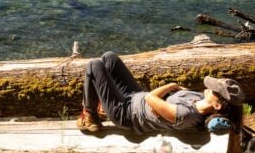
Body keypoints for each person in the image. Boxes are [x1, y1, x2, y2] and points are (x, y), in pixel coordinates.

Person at [76, 51, 245, 134]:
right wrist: (169, 95)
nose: (209, 87)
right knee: (109, 58)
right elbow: (165, 97)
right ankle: (102, 107)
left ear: (217, 105)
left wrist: (171, 85)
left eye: (214, 90)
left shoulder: (186, 114)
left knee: (94, 65)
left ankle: (90, 115)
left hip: (126, 113)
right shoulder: (201, 100)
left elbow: (151, 98)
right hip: (135, 97)